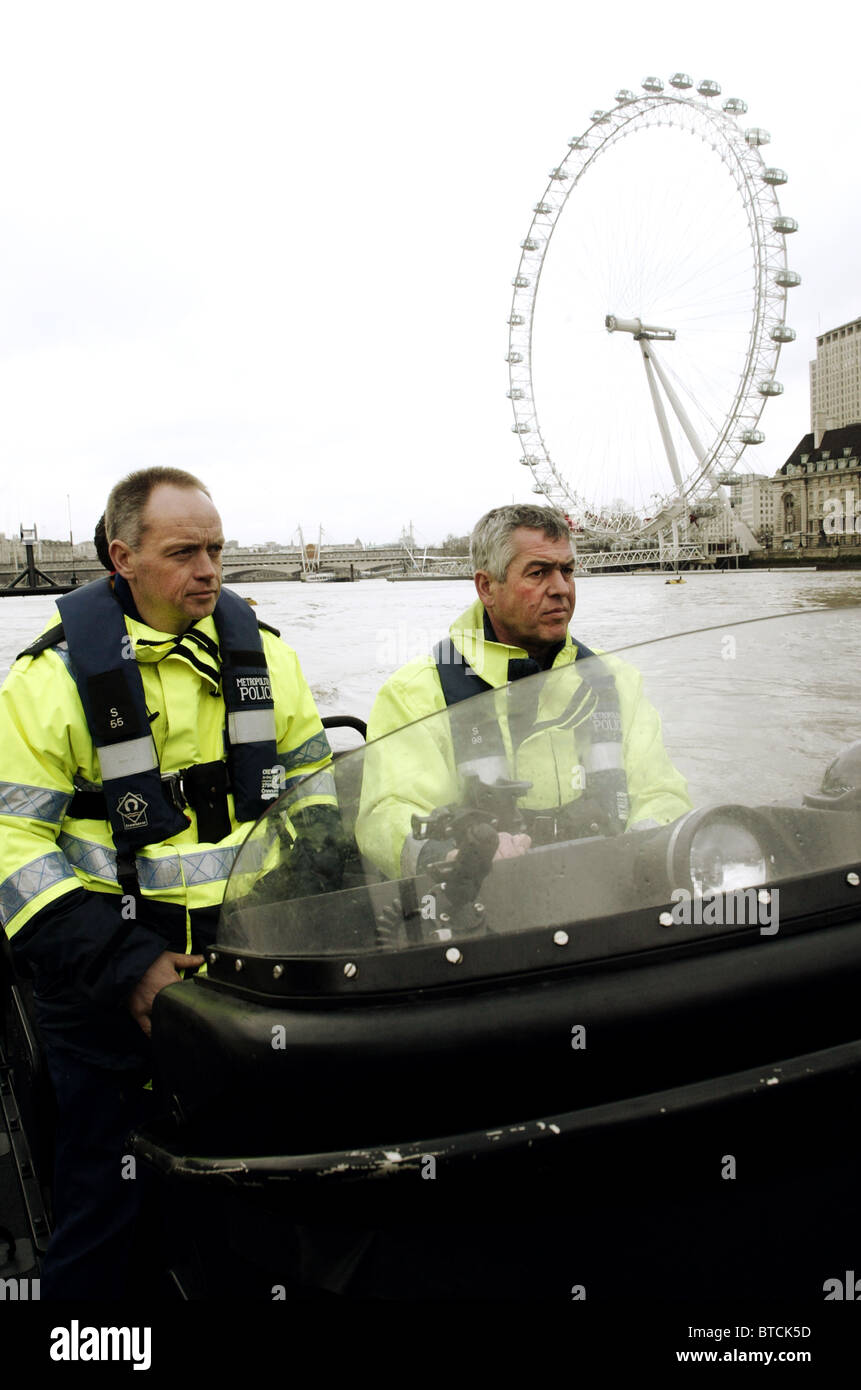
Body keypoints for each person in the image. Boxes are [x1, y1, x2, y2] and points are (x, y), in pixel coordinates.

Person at [0, 467, 334, 1297]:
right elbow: (10, 844)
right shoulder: (47, 684)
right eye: (184, 551)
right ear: (123, 558)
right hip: (107, 992)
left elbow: (317, 791)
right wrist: (125, 965)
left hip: (249, 975)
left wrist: (313, 902)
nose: (210, 570)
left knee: (269, 1192)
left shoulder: (268, 660)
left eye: (216, 550)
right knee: (103, 1211)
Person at [356, 503, 691, 879]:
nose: (561, 589)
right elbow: (388, 815)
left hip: (611, 890)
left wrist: (642, 853)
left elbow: (662, 792)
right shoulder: (415, 694)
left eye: (567, 571)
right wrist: (453, 858)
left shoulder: (616, 679)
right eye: (538, 573)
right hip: (481, 902)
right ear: (487, 587)